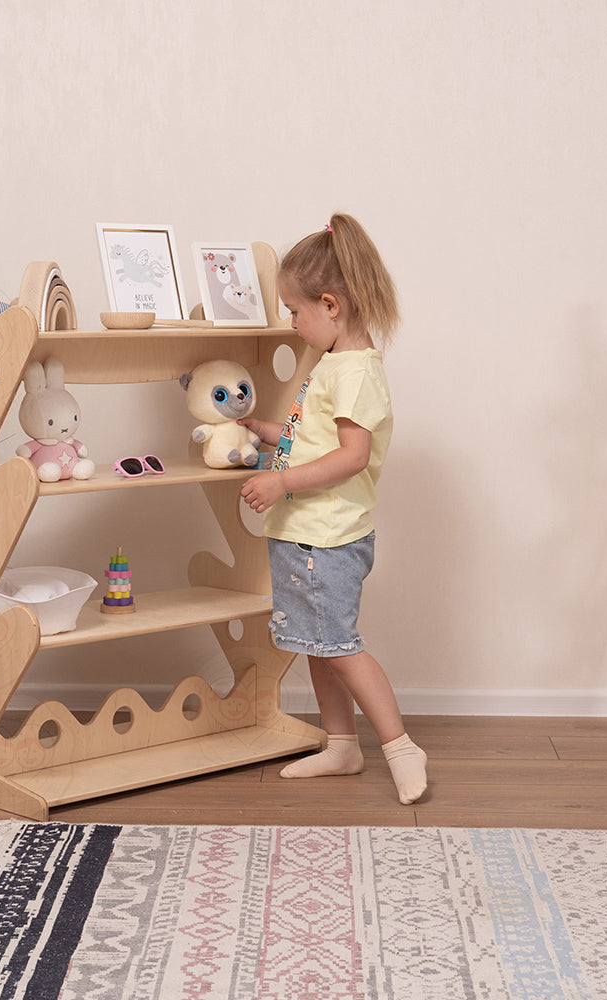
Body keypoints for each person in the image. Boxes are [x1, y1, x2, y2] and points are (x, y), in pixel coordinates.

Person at [239, 213, 427, 805]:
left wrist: (282, 482)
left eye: (294, 312)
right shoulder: (336, 364)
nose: (293, 325)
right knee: (319, 643)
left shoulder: (355, 373)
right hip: (305, 534)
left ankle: (400, 745)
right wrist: (262, 430)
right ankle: (341, 744)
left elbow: (351, 456)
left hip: (326, 537)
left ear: (330, 305)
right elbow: (312, 437)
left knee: (339, 645)